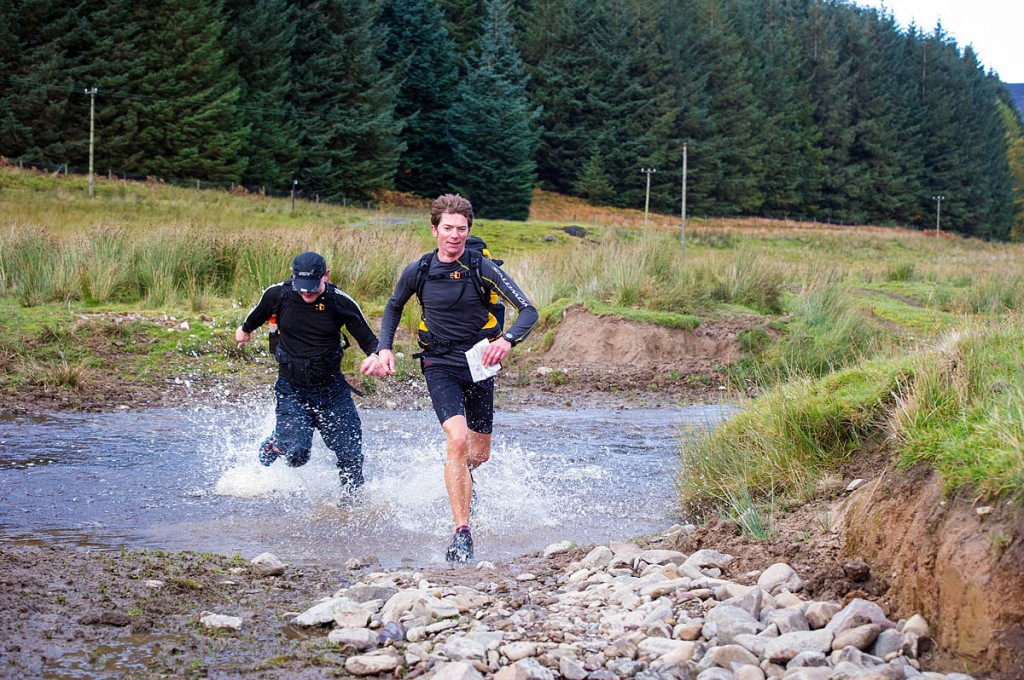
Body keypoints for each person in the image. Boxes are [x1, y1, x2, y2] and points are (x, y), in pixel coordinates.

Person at [372, 194, 538, 563]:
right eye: (447, 228)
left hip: (479, 364)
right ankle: (462, 531)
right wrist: (384, 348)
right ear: (435, 229)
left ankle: (459, 477)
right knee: (458, 439)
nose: (454, 235)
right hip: (439, 362)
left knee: (478, 454)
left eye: (461, 229)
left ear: (468, 231)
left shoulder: (482, 267)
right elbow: (393, 306)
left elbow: (529, 310)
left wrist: (508, 340)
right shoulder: (420, 269)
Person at [235, 251, 381, 494]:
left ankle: (351, 506)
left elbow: (370, 341)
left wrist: (375, 357)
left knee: (351, 454)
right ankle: (277, 442)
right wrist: (244, 331)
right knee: (296, 456)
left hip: (332, 391)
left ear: (326, 276)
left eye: (312, 289)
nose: (307, 294)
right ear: (293, 276)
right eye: (302, 289)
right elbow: (256, 314)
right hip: (292, 389)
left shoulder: (339, 301)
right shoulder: (278, 294)